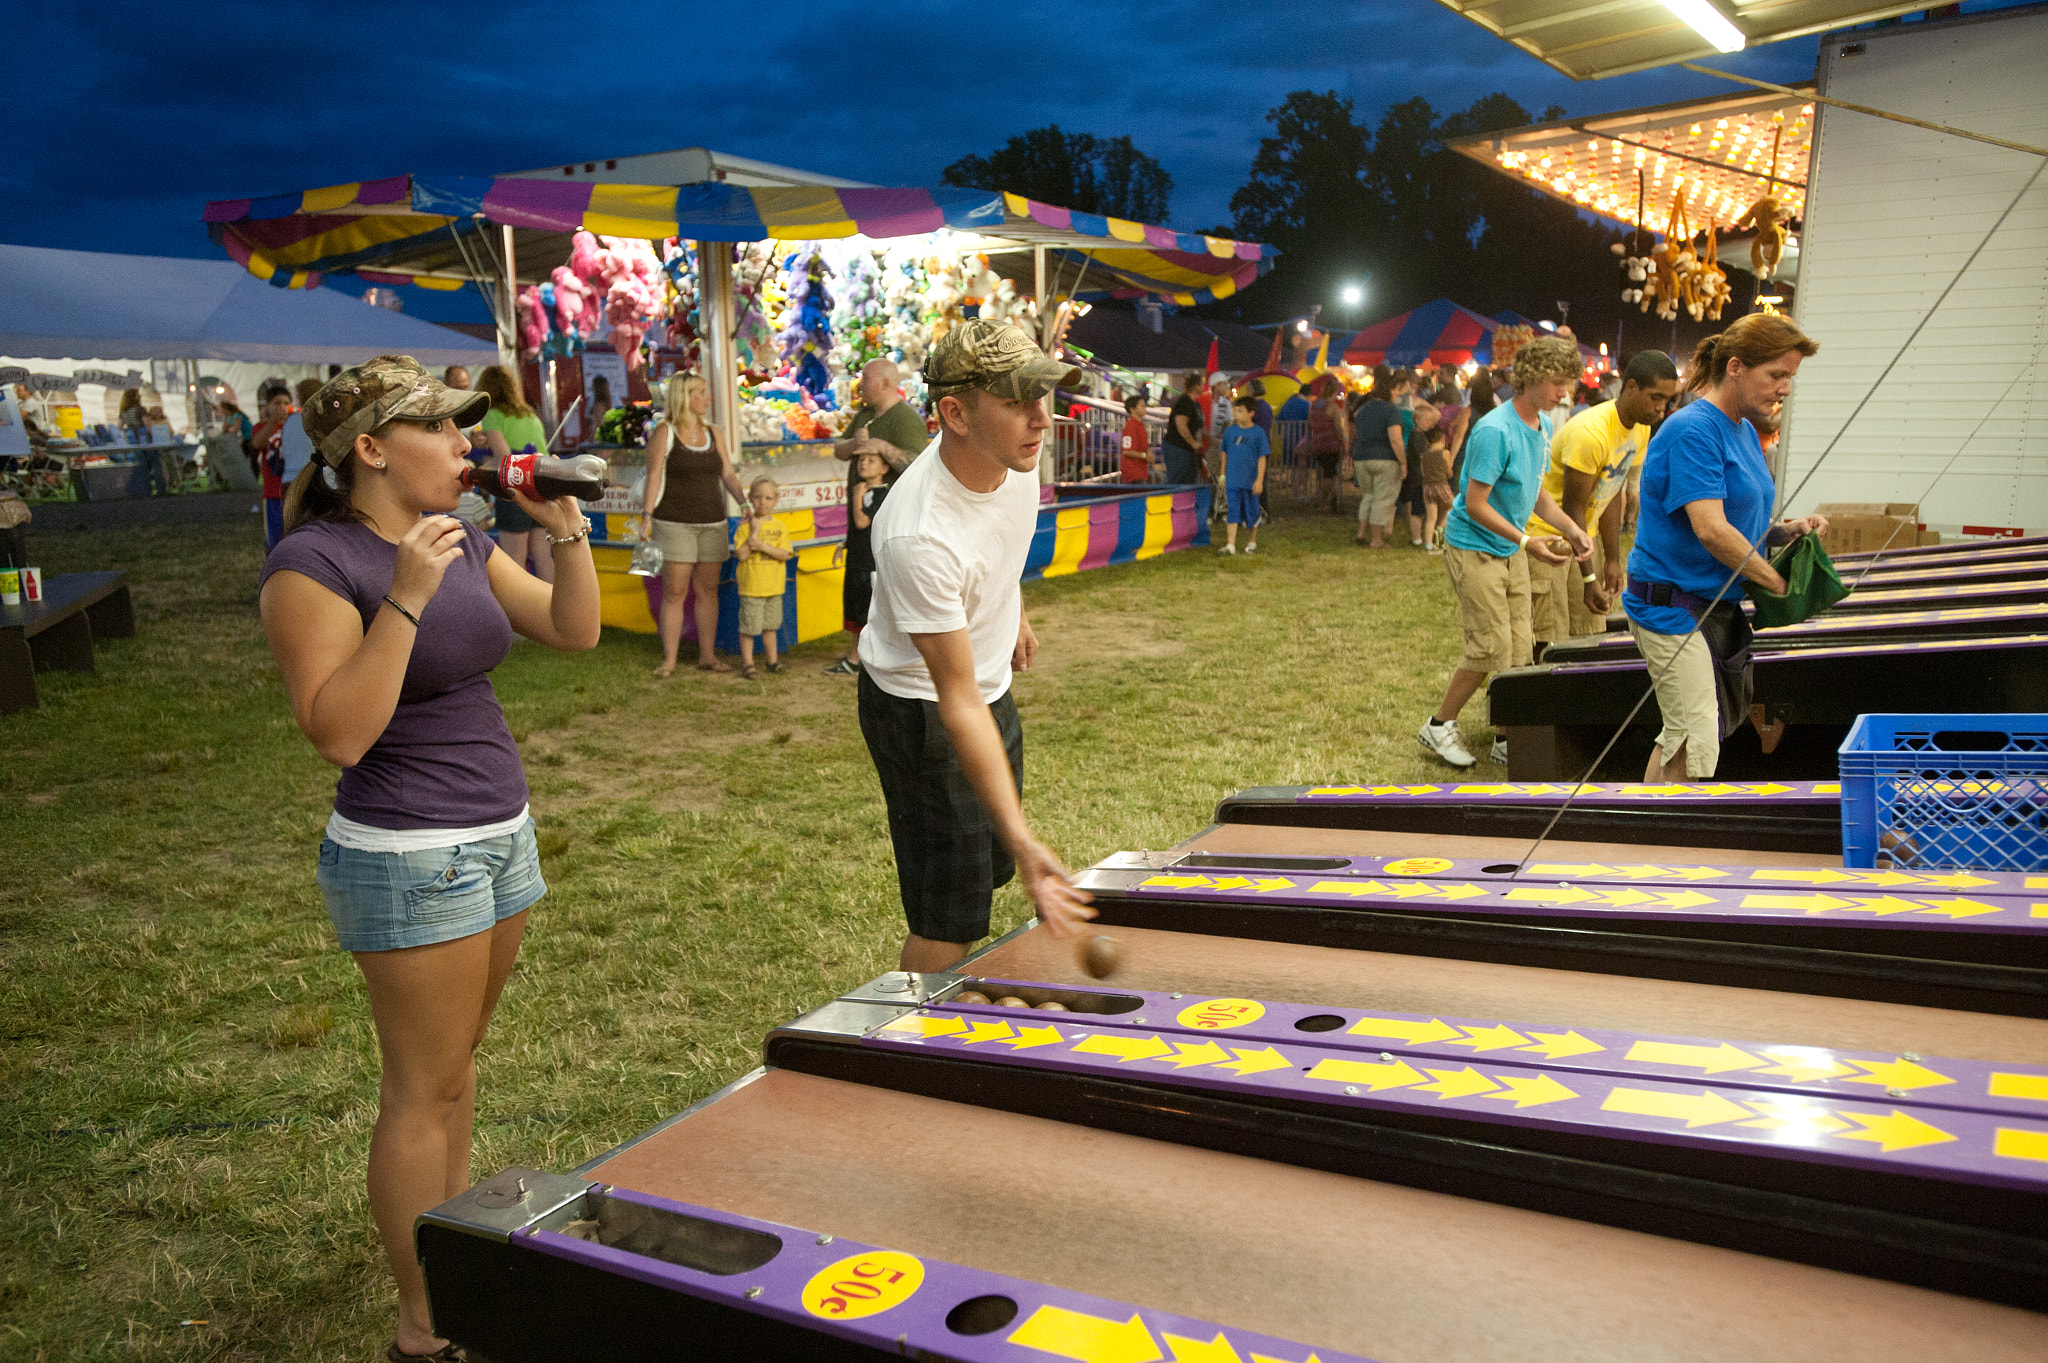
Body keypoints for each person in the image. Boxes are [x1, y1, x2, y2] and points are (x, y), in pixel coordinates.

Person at [257, 355, 599, 1363]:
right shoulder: (315, 566)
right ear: (370, 450)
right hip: (410, 851)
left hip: (498, 833)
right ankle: (424, 1325)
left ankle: (444, 1254)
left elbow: (570, 630)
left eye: (464, 430)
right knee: (419, 1088)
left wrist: (564, 531)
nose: (465, 447)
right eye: (442, 430)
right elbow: (337, 733)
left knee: (454, 1074)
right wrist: (404, 593)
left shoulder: (468, 535)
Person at [857, 319, 1097, 972]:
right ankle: (900, 1046)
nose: (1040, 420)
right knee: (950, 916)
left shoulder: (1016, 456)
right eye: (1017, 400)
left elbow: (997, 546)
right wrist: (1028, 843)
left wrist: (1009, 607)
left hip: (987, 687)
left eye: (1041, 397)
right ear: (955, 413)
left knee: (983, 864)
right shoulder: (916, 533)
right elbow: (955, 699)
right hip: (923, 710)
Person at [1626, 317, 1827, 781]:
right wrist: (1774, 579)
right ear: (1736, 366)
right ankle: (1661, 837)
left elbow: (1740, 520)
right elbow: (1712, 530)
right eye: (1777, 375)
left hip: (1712, 607)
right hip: (1671, 608)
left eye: (1790, 377)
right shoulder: (1693, 429)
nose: (1785, 389)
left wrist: (1787, 531)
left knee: (1688, 733)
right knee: (1695, 740)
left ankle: (1649, 827)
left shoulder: (1741, 428)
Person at [1418, 336, 1593, 770]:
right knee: (1488, 647)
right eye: (1556, 382)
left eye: (1567, 383)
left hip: (1510, 547)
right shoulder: (1495, 429)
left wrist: (1572, 529)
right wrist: (1525, 542)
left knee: (1519, 646)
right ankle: (1439, 726)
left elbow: (1534, 494)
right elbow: (1474, 502)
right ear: (1530, 378)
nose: (1563, 393)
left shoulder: (1543, 426)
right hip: (1474, 545)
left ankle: (1506, 734)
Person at [1524, 350, 1682, 647]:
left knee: (1588, 630)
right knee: (1549, 636)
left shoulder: (1641, 429)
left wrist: (1611, 558)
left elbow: (1612, 493)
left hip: (1584, 536)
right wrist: (1588, 579)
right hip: (1547, 537)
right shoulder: (1591, 433)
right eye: (1655, 397)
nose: (1662, 408)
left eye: (1668, 400)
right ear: (1632, 387)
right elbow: (1573, 507)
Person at [641, 374, 746, 677]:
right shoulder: (665, 432)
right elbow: (654, 476)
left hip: (713, 521)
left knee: (708, 590)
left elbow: (727, 474)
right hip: (674, 522)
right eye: (701, 392)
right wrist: (647, 517)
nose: (707, 397)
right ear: (684, 397)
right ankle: (670, 660)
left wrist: (745, 502)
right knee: (675, 591)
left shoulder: (715, 433)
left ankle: (707, 655)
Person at [828, 358, 929, 673]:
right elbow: (838, 449)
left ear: (885, 382)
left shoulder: (906, 419)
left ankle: (882, 654)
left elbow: (919, 465)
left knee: (880, 585)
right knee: (859, 586)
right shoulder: (864, 414)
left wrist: (883, 447)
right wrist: (855, 444)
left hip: (889, 522)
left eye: (866, 379)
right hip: (860, 521)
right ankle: (861, 653)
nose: (860, 385)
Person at [472, 366, 555, 584]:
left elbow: (504, 456)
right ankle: (553, 611)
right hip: (541, 486)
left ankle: (519, 616)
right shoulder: (529, 413)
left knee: (514, 558)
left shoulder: (492, 415)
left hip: (514, 487)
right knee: (543, 554)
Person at [838, 449, 894, 671]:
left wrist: (857, 497)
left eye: (871, 460)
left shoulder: (883, 494)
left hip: (870, 564)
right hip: (856, 559)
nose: (863, 464)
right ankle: (858, 653)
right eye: (861, 459)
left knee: (866, 609)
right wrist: (844, 544)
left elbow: (862, 522)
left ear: (884, 468)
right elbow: (858, 531)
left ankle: (858, 659)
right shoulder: (863, 490)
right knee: (854, 606)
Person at [732, 476, 792, 679]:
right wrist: (753, 536)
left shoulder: (781, 527)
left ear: (776, 500)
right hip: (751, 587)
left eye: (768, 498)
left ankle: (772, 661)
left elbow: (784, 555)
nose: (762, 502)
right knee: (749, 628)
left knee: (770, 627)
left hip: (773, 587)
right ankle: (748, 663)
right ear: (750, 499)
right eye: (757, 497)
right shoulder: (744, 528)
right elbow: (741, 555)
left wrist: (763, 546)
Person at [1350, 372, 1406, 549]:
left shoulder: (1362, 410)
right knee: (1383, 499)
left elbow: (1355, 433)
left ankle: (1361, 532)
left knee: (1368, 496)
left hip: (1361, 458)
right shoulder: (1390, 410)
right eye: (1396, 392)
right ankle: (1376, 540)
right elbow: (1395, 439)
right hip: (1385, 458)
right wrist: (1403, 462)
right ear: (1388, 393)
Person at [1217, 396, 1268, 556]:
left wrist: (1259, 480)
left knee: (1251, 512)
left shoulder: (1258, 433)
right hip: (1233, 479)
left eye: (1240, 411)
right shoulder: (1230, 432)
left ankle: (1251, 542)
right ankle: (1230, 545)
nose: (1236, 414)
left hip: (1250, 481)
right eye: (1235, 410)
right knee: (1233, 510)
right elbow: (1224, 454)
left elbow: (1262, 457)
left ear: (1251, 413)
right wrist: (1223, 475)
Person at [251, 387, 295, 548]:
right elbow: (257, 443)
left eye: (286, 403)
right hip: (272, 492)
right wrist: (272, 422)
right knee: (275, 539)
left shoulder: (295, 426)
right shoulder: (261, 427)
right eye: (277, 403)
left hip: (292, 489)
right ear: (268, 405)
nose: (282, 407)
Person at [1305, 376, 1350, 510]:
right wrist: (1343, 442)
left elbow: (1310, 424)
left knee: (1329, 473)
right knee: (1330, 475)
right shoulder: (1332, 407)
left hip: (1318, 443)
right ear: (1334, 391)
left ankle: (1333, 498)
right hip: (1331, 444)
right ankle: (1323, 501)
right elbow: (1338, 428)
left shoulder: (1313, 406)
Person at [1161, 371, 1204, 484]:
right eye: (1201, 384)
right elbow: (1181, 425)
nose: (1203, 386)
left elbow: (1199, 424)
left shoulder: (1195, 403)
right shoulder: (1184, 402)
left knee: (1188, 479)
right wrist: (1193, 443)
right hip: (1177, 447)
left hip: (1187, 448)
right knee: (1176, 479)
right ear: (1196, 386)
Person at [1206, 373, 1233, 515]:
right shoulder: (1205, 402)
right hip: (1205, 444)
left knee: (1217, 475)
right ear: (1216, 385)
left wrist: (1221, 438)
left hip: (1218, 444)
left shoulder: (1226, 403)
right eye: (1223, 384)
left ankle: (1216, 506)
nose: (1226, 387)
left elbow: (1228, 422)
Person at [1118, 393, 1156, 483]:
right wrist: (1144, 456)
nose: (1144, 408)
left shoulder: (1140, 425)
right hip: (1133, 472)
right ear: (1132, 409)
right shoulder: (1131, 426)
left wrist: (1147, 453)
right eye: (1141, 406)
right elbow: (1127, 451)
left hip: (1140, 470)